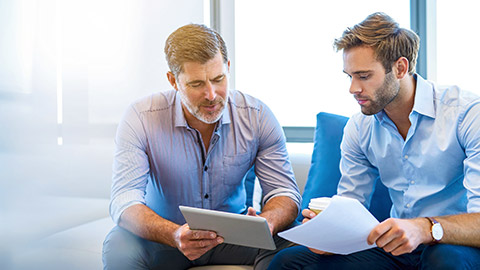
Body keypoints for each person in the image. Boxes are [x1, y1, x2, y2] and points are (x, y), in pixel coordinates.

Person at [268, 12, 480, 270]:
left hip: (454, 244)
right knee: (289, 262)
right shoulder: (359, 127)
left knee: (444, 260)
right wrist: (328, 233)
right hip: (396, 249)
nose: (353, 88)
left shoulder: (466, 114)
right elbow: (351, 205)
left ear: (400, 68)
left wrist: (425, 228)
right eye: (350, 76)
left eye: (364, 76)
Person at [102, 24, 301, 270]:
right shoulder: (141, 117)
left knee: (293, 238)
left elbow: (284, 192)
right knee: (119, 245)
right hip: (165, 239)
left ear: (228, 68)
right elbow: (125, 200)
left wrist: (267, 222)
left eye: (218, 79)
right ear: (173, 80)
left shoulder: (257, 116)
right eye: (196, 84)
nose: (211, 94)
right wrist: (175, 234)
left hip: (236, 238)